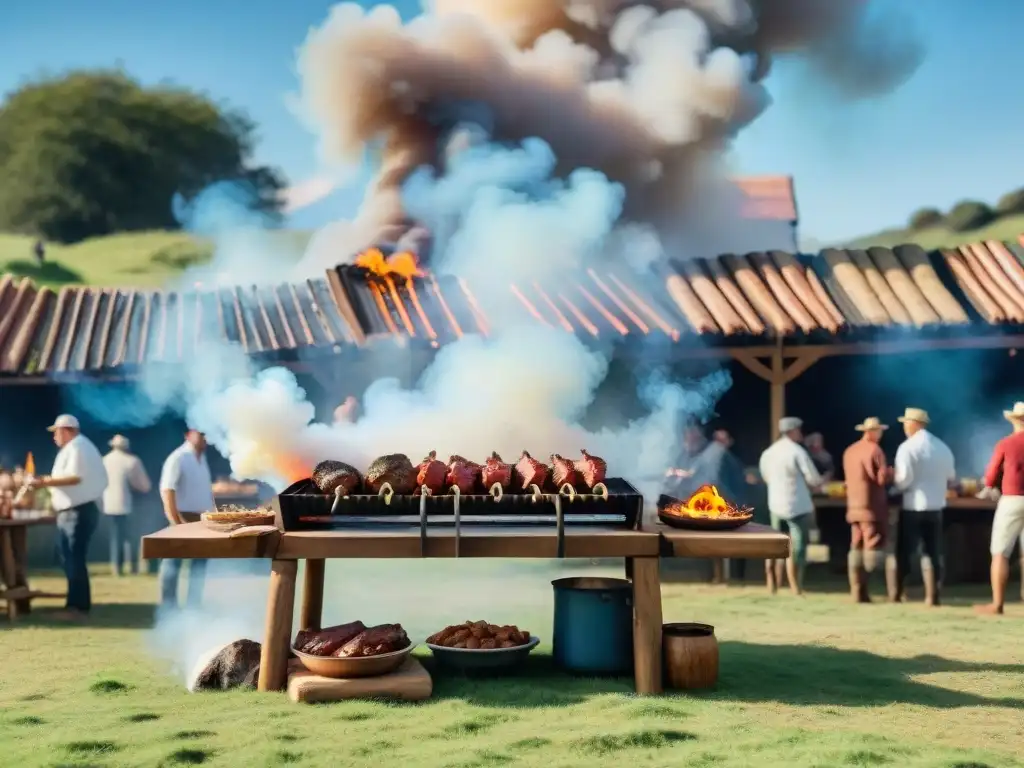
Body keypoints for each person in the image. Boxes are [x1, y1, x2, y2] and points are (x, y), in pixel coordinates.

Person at [26, 414, 107, 620]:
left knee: (73, 557)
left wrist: (44, 482)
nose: (55, 437)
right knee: (70, 557)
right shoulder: (75, 448)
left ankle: (77, 608)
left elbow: (74, 478)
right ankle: (76, 605)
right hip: (74, 510)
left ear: (67, 430)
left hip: (77, 511)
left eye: (57, 432)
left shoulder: (78, 447)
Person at [892, 407, 955, 606]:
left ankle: (897, 593)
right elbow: (951, 477)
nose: (904, 427)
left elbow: (904, 480)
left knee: (905, 552)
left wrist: (894, 487)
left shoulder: (907, 448)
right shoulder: (942, 447)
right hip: (936, 506)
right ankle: (933, 596)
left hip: (913, 505)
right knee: (934, 552)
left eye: (906, 423)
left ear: (914, 424)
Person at [758, 416, 822, 596]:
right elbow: (813, 478)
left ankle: (772, 585)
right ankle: (796, 587)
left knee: (774, 545)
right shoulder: (797, 452)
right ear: (793, 431)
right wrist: (820, 483)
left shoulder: (769, 452)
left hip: (775, 504)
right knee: (798, 547)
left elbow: (765, 476)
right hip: (797, 505)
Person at [975, 402, 1024, 615]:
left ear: (1015, 420)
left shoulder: (1006, 443)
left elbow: (991, 475)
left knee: (1000, 552)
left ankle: (997, 604)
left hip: (1012, 499)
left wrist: (989, 486)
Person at [159, 428, 215, 609]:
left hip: (202, 518)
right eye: (200, 434)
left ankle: (194, 606)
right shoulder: (178, 457)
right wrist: (175, 521)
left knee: (199, 566)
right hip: (182, 515)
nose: (204, 438)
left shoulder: (202, 459)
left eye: (206, 435)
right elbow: (167, 489)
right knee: (172, 564)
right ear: (188, 435)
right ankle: (169, 606)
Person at [841, 417, 891, 603]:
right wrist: (891, 473)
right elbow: (880, 479)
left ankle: (856, 591)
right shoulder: (875, 450)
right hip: (872, 507)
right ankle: (873, 590)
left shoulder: (850, 451)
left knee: (856, 544)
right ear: (872, 432)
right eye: (878, 431)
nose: (880, 435)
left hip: (853, 506)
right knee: (872, 545)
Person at [101, 435, 152, 576]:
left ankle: (117, 566)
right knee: (132, 537)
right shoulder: (132, 461)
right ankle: (134, 566)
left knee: (116, 536)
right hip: (128, 504)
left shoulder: (104, 460)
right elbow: (144, 486)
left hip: (109, 504)